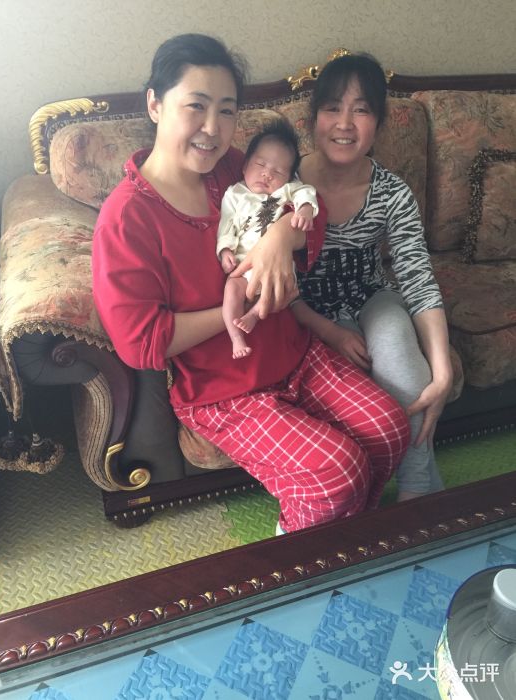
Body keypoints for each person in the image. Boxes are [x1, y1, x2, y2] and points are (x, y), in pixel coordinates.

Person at [92, 33, 410, 534]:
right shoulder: (127, 218)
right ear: (155, 104)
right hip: (224, 392)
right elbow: (141, 342)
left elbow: (309, 215)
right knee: (336, 471)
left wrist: (281, 238)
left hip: (296, 353)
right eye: (196, 106)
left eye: (227, 110)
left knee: (389, 429)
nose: (212, 128)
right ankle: (299, 554)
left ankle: (348, 538)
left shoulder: (231, 171)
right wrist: (231, 316)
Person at [292, 52, 453, 502]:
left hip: (371, 296)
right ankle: (382, 493)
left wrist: (441, 372)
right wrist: (331, 331)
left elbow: (417, 278)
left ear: (378, 124)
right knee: (355, 383)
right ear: (313, 118)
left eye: (361, 110)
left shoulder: (392, 193)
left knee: (400, 350)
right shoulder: (285, 184)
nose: (345, 123)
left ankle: (416, 488)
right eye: (332, 108)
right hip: (306, 311)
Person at [217, 119, 319, 358]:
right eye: (260, 164)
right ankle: (236, 338)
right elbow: (226, 224)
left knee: (278, 289)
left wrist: (305, 209)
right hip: (244, 265)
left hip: (277, 265)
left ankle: (255, 314)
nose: (267, 174)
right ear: (245, 165)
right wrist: (225, 250)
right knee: (231, 290)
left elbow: (305, 192)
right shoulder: (234, 194)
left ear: (289, 178)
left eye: (278, 172)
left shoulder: (285, 190)